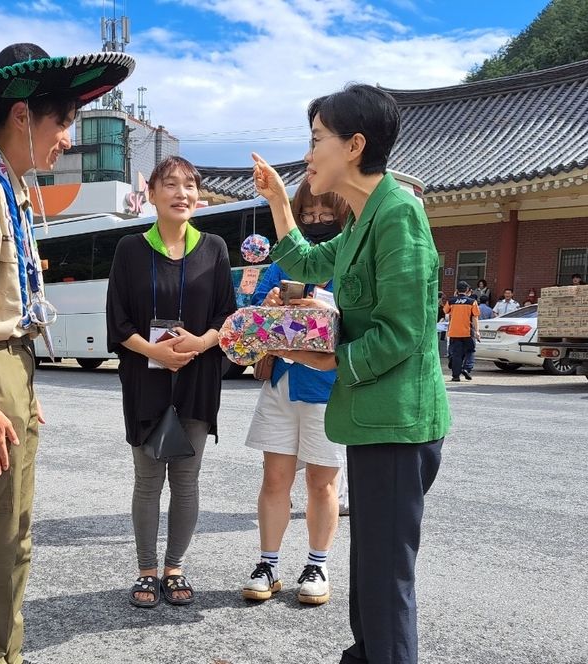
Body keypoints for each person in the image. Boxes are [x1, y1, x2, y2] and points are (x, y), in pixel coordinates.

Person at [0, 43, 133, 663]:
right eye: (61, 122)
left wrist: (23, 391)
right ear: (21, 115)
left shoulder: (7, 188)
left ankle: (6, 653)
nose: (67, 138)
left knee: (14, 532)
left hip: (13, 365)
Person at [252, 82, 450, 664]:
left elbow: (405, 331)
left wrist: (329, 356)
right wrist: (279, 205)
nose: (308, 155)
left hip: (398, 424)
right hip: (371, 419)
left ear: (355, 146)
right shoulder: (364, 217)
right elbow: (309, 263)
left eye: (317, 140)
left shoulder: (398, 216)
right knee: (369, 565)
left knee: (386, 580)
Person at [106, 156, 236, 608]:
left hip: (198, 376)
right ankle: (146, 570)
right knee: (147, 480)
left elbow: (227, 314)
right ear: (152, 194)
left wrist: (200, 343)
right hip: (147, 376)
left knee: (187, 479)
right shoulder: (130, 249)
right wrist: (155, 351)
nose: (183, 192)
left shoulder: (215, 247)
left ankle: (175, 566)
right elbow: (117, 320)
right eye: (171, 184)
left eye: (191, 185)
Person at [241, 180, 349, 606]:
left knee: (322, 485)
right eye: (307, 216)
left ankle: (317, 564)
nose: (316, 222)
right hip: (282, 381)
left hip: (327, 387)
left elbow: (358, 321)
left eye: (326, 216)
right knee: (274, 479)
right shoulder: (285, 260)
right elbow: (249, 310)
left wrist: (322, 303)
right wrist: (269, 303)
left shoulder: (351, 259)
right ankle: (268, 563)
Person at [444, 281, 480, 381]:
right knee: (470, 351)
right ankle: (467, 368)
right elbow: (475, 317)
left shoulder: (451, 301)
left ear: (457, 290)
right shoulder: (472, 301)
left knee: (456, 354)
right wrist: (477, 331)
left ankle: (455, 376)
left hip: (454, 332)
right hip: (467, 331)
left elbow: (445, 311)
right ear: (467, 290)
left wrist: (455, 297)